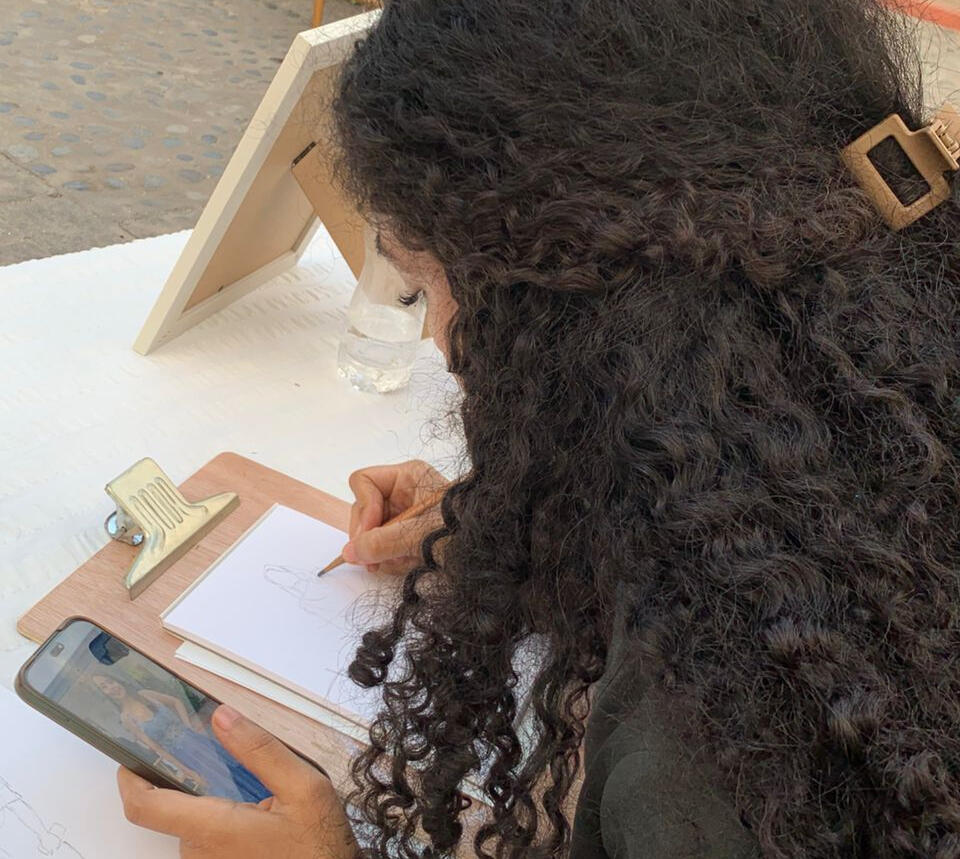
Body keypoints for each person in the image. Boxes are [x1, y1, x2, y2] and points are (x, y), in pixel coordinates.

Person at [115, 0, 960, 855]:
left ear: (554, 323)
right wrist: (536, 526)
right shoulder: (893, 379)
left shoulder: (713, 768)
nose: (438, 339)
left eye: (423, 286)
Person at [85, 673, 270, 802]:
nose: (111, 687)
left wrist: (187, 724)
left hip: (197, 740)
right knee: (223, 784)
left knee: (234, 768)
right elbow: (158, 749)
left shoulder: (144, 695)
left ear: (117, 680)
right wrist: (189, 773)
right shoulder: (126, 718)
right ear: (104, 695)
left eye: (110, 681)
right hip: (187, 757)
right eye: (104, 687)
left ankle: (270, 797)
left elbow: (175, 701)